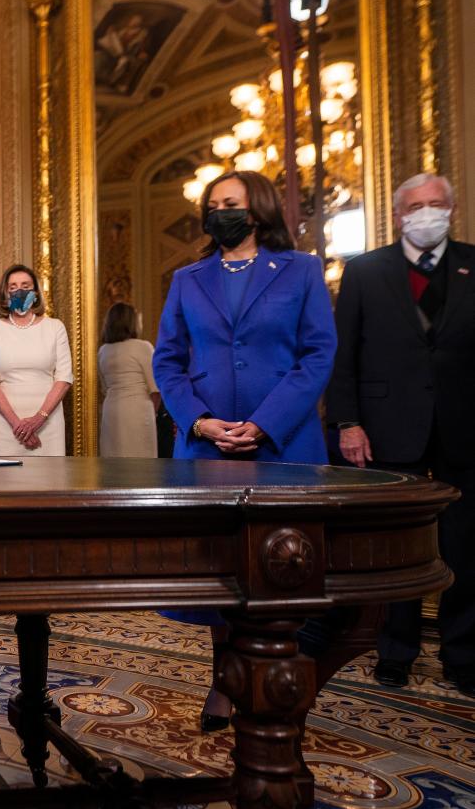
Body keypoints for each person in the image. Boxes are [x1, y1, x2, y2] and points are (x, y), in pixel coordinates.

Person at [153, 170, 337, 730]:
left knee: (281, 566)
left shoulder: (302, 270)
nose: (218, 213)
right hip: (207, 449)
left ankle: (280, 678)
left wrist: (263, 424)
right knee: (220, 573)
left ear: (255, 209)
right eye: (212, 206)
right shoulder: (188, 278)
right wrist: (201, 421)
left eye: (228, 203)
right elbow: (168, 361)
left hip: (284, 446)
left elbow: (317, 355)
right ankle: (224, 683)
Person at [326, 173, 475, 698]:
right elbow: (344, 355)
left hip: (463, 426)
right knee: (399, 547)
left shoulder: (472, 263)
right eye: (416, 205)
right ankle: (396, 650)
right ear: (398, 215)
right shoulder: (365, 271)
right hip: (388, 427)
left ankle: (463, 653)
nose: (427, 212)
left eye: (437, 204)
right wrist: (347, 421)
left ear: (452, 209)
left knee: (465, 547)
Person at [0, 264, 72, 456]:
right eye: (12, 287)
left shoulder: (55, 327)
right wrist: (18, 425)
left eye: (25, 286)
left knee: (50, 482)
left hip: (48, 423)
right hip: (7, 425)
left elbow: (64, 378)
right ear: (4, 294)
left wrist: (39, 419)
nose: (19, 291)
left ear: (36, 292)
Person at [98, 302, 159, 457]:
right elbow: (156, 388)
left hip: (111, 410)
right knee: (141, 462)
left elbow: (104, 388)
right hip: (137, 411)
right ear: (132, 322)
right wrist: (155, 413)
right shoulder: (143, 347)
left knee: (114, 462)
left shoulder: (103, 350)